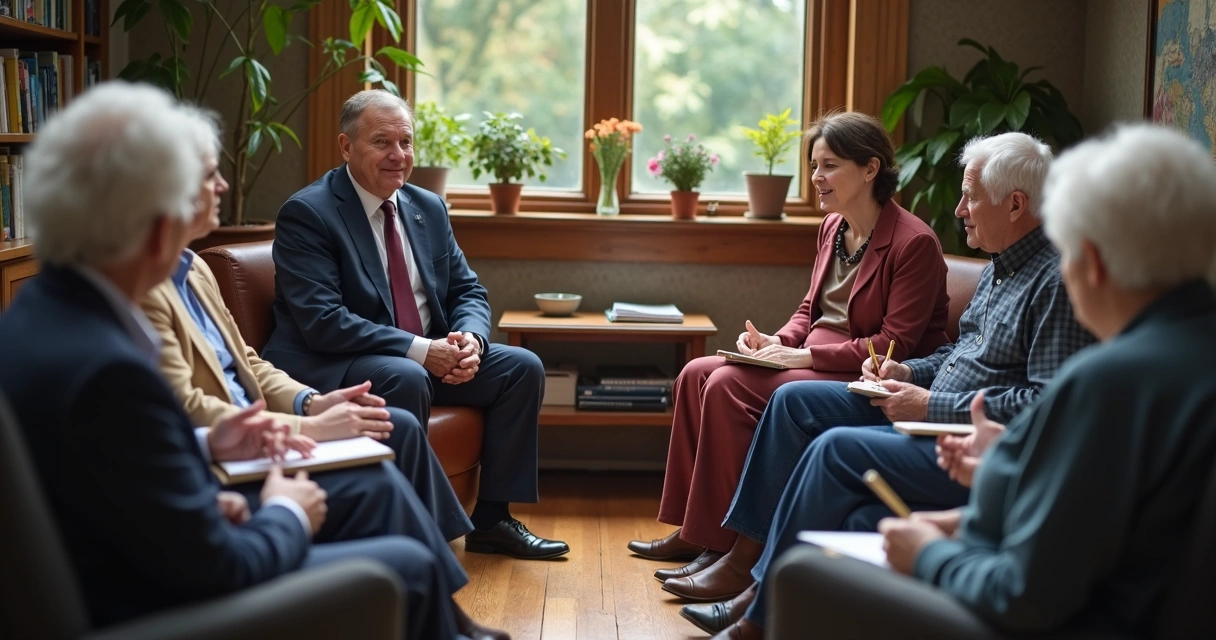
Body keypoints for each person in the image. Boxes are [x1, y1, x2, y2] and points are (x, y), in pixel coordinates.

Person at [0, 83, 493, 640]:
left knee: (381, 480)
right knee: (407, 565)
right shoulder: (106, 371)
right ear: (159, 217)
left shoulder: (44, 314)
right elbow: (216, 564)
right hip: (147, 606)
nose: (224, 186)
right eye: (208, 177)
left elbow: (127, 465)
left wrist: (211, 447)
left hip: (157, 541)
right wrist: (283, 512)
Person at [804, 124, 1216, 638]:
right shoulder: (1190, 356)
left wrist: (931, 556)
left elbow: (1023, 595)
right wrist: (1005, 470)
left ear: (1090, 259)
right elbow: (1100, 521)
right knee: (865, 526)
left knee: (804, 573)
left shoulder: (1110, 383)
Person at [685, 132, 1096, 637]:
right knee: (792, 403)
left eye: (970, 196)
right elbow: (955, 352)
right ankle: (744, 564)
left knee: (830, 447)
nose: (960, 209)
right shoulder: (1000, 268)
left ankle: (757, 607)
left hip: (960, 440)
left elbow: (1044, 404)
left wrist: (932, 404)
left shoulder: (1054, 280)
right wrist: (908, 372)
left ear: (1015, 204)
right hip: (920, 405)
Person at [629, 112, 951, 585]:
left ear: (870, 169)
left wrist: (803, 356)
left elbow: (891, 344)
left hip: (864, 374)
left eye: (829, 166)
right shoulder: (833, 228)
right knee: (696, 373)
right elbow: (809, 310)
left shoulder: (914, 243)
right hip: (809, 358)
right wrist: (775, 341)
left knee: (725, 385)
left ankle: (721, 543)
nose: (816, 178)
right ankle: (695, 529)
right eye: (814, 165)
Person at [140, 107, 472, 543]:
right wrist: (306, 427)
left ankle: (433, 560)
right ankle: (418, 564)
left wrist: (310, 403)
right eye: (208, 176)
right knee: (398, 416)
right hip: (238, 451)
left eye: (405, 142)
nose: (223, 185)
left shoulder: (194, 269)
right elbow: (183, 406)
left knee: (407, 426)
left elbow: (249, 363)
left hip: (270, 421)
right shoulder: (139, 289)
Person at [261, 89, 566, 560]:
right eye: (382, 142)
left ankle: (492, 521)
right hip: (338, 361)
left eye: (406, 142)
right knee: (404, 374)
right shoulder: (309, 213)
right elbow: (323, 322)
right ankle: (407, 530)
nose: (398, 156)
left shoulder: (428, 206)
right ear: (346, 147)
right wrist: (422, 350)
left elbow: (468, 291)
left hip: (425, 355)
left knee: (520, 367)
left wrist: (471, 342)